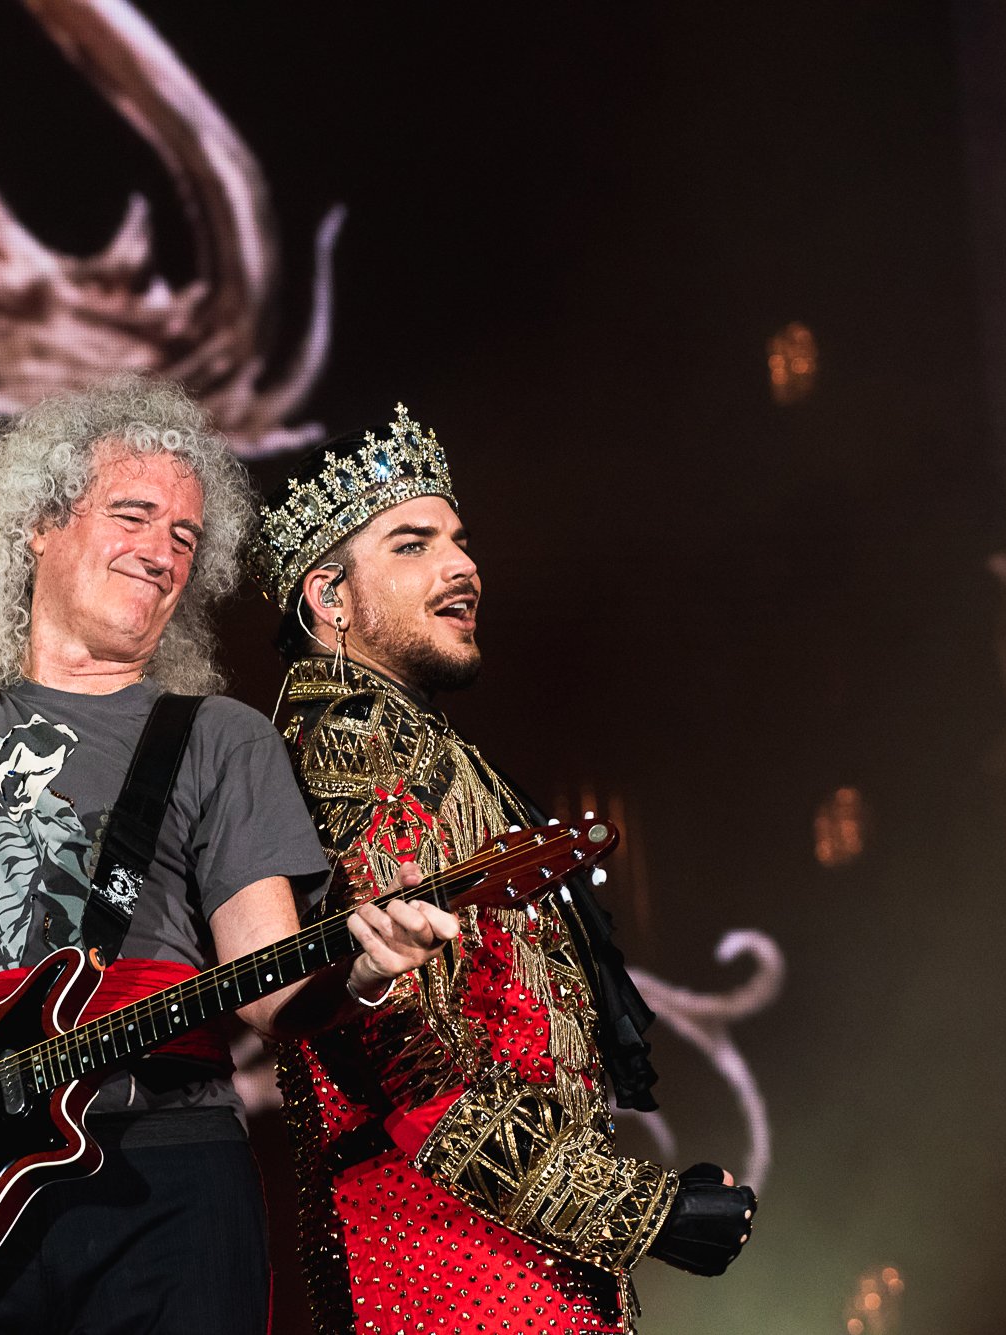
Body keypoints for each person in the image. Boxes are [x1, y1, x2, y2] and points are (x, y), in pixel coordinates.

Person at [0, 38, 459, 1334]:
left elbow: (267, 984)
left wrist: (361, 970)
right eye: (134, 511)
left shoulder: (219, 740)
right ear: (41, 523)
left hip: (157, 1173)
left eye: (185, 537)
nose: (161, 547)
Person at [255, 406, 758, 1333]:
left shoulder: (410, 737)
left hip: (498, 1263)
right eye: (414, 544)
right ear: (330, 598)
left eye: (459, 540)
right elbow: (402, 1054)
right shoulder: (349, 740)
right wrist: (640, 1211)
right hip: (440, 1269)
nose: (462, 566)